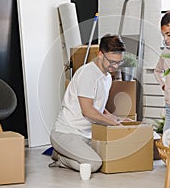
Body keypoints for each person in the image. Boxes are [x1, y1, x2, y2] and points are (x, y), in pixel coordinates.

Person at [50, 34, 129, 173]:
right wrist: (113, 124)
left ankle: (65, 153)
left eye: (119, 62)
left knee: (111, 157)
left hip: (87, 135)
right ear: (100, 54)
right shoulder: (88, 74)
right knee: (93, 164)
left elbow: (99, 108)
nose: (115, 66)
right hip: (67, 132)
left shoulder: (106, 78)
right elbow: (87, 111)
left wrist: (118, 119)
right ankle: (61, 159)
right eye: (111, 61)